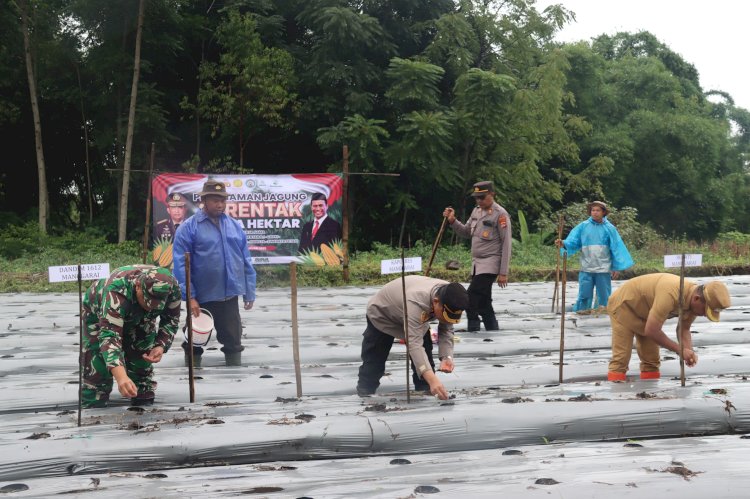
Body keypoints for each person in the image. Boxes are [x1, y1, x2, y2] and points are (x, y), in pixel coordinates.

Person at [172, 179, 257, 367]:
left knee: (234, 342)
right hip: (201, 298)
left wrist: (249, 291)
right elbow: (180, 265)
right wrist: (190, 296)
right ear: (204, 201)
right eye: (215, 200)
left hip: (229, 296)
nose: (220, 204)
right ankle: (193, 379)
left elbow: (245, 260)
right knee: (194, 341)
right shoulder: (189, 228)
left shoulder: (235, 226)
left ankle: (236, 384)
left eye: (223, 200)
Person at [81, 265, 181, 408]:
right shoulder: (116, 290)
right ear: (138, 286)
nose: (150, 306)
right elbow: (110, 337)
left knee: (141, 358)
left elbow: (171, 320)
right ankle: (94, 403)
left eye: (156, 304)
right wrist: (121, 377)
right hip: (99, 314)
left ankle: (141, 397)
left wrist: (160, 345)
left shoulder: (172, 288)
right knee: (97, 367)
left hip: (141, 319)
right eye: (147, 300)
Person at [356, 276, 469, 400]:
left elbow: (446, 329)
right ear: (436, 302)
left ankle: (425, 394)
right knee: (374, 363)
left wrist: (447, 357)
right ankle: (365, 396)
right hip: (383, 315)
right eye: (445, 315)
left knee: (426, 360)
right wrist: (433, 380)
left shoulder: (451, 295)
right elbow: (414, 344)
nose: (447, 320)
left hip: (415, 317)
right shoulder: (417, 301)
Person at [606, 273, 731, 381]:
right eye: (705, 311)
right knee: (621, 359)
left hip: (648, 315)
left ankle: (650, 399)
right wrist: (679, 350)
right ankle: (616, 398)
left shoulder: (694, 303)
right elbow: (652, 330)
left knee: (651, 361)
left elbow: (684, 329)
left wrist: (688, 351)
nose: (704, 315)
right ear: (697, 299)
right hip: (624, 306)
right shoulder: (671, 292)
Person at [442, 181, 511, 332]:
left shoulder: (500, 214)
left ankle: (473, 326)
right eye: (477, 198)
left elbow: (506, 244)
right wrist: (452, 221)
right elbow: (466, 232)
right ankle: (492, 329)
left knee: (470, 297)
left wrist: (503, 272)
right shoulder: (476, 211)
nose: (479, 201)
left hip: (491, 263)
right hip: (476, 264)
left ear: (492, 194)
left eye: (482, 197)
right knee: (484, 302)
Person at [555, 201, 633, 313]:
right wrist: (563, 243)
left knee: (604, 295)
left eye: (598, 210)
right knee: (584, 294)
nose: (595, 213)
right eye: (593, 210)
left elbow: (616, 248)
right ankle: (582, 312)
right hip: (586, 267)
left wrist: (615, 267)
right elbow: (573, 241)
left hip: (603, 268)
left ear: (603, 212)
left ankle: (602, 314)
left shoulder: (609, 229)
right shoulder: (583, 226)